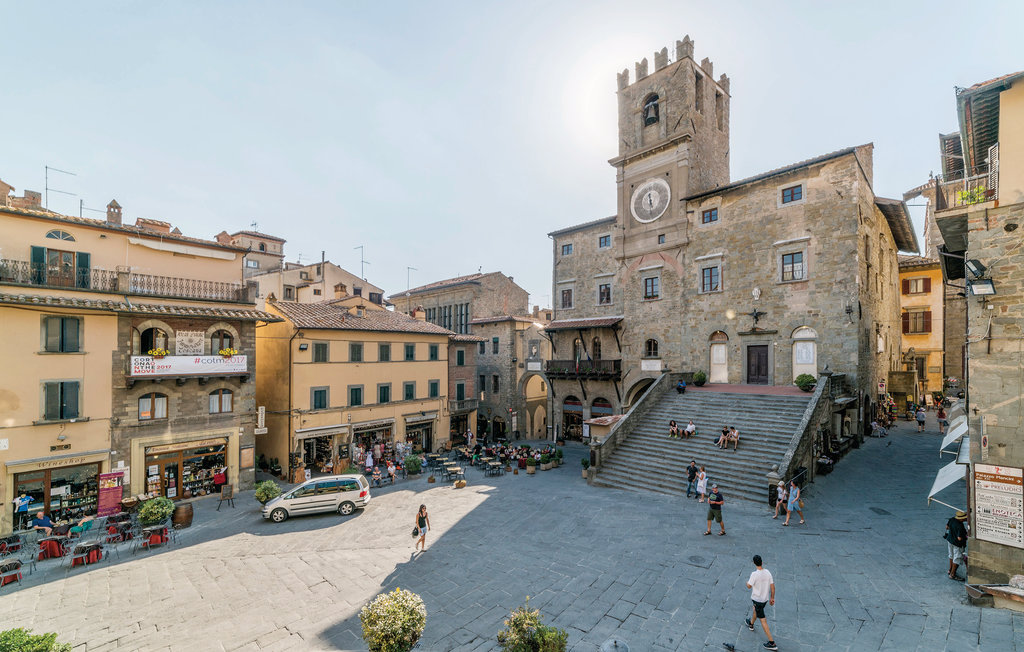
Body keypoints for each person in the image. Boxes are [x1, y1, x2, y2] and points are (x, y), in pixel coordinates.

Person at [744, 554, 777, 651]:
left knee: (763, 620)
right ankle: (751, 624)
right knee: (756, 610)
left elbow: (749, 586)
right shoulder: (767, 572)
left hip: (757, 599)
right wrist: (772, 598)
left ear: (754, 563)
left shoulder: (754, 574)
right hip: (765, 599)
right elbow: (772, 587)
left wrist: (747, 582)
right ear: (762, 562)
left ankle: (772, 643)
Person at [945, 510, 969, 580]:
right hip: (957, 544)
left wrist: (953, 531)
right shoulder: (960, 526)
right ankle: (953, 574)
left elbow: (947, 527)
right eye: (965, 518)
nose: (966, 519)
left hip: (950, 540)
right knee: (957, 558)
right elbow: (959, 538)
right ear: (961, 519)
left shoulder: (952, 519)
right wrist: (966, 536)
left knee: (951, 555)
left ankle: (950, 570)